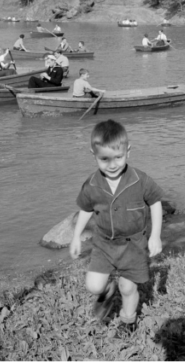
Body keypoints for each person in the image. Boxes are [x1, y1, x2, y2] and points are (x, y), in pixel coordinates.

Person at [70, 120, 164, 336]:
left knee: (128, 287)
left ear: (128, 151)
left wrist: (155, 235)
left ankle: (128, 321)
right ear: (93, 153)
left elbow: (156, 203)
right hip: (103, 244)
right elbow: (85, 209)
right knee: (94, 286)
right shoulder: (92, 184)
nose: (112, 165)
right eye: (104, 159)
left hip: (133, 245)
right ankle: (107, 291)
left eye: (118, 158)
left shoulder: (141, 180)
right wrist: (76, 236)